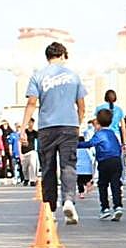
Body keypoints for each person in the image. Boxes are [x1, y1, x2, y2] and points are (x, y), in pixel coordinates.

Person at [20, 42, 87, 224]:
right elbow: (81, 106)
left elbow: (32, 103)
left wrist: (23, 128)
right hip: (69, 126)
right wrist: (77, 124)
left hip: (47, 128)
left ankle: (50, 210)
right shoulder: (74, 77)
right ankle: (68, 200)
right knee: (68, 166)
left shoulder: (38, 76)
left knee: (48, 168)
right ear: (63, 56)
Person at [78, 108, 125, 220]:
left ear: (98, 123)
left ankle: (105, 208)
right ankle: (118, 206)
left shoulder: (99, 134)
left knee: (103, 184)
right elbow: (118, 148)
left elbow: (90, 144)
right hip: (116, 160)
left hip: (104, 161)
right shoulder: (112, 133)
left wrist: (76, 145)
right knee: (115, 184)